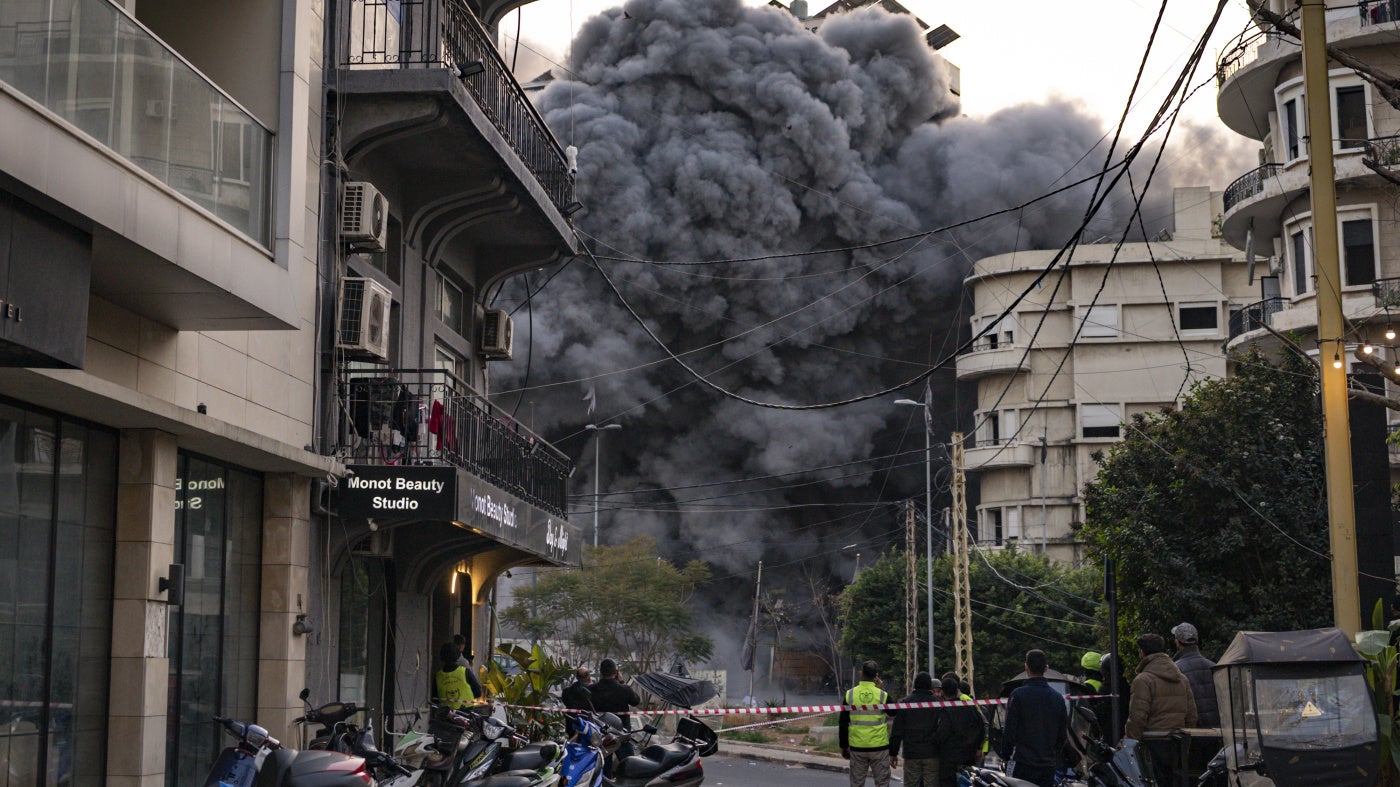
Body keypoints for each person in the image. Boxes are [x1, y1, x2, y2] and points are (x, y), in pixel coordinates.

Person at [1128, 633, 1197, 787]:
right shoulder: (1182, 679)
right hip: (1178, 742)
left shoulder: (1143, 680)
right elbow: (1192, 715)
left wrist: (1130, 743)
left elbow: (1137, 717)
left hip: (1152, 744)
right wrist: (1186, 739)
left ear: (1142, 652)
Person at [997, 649, 1067, 787]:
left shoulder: (1018, 695)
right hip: (1048, 766)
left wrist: (1005, 755)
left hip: (1023, 764)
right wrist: (1052, 755)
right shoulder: (1057, 698)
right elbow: (1062, 735)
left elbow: (1009, 730)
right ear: (1046, 668)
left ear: (1026, 667)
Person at [840, 661, 897, 787]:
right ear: (876, 676)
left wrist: (844, 745)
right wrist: (880, 689)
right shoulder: (882, 695)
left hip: (857, 747)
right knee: (882, 784)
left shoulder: (850, 694)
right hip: (879, 747)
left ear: (861, 674)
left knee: (857, 784)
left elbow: (843, 721)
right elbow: (893, 712)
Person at [590, 658, 642, 768]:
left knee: (604, 769)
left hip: (601, 736)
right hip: (621, 735)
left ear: (601, 672)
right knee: (629, 767)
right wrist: (622, 682)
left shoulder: (592, 690)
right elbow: (636, 701)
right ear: (616, 672)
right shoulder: (624, 689)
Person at [935, 676, 986, 787]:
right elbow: (981, 727)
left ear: (943, 692)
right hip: (969, 757)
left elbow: (942, 734)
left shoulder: (945, 711)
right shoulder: (970, 707)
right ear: (957, 690)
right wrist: (979, 748)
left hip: (950, 760)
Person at [890, 672, 939, 787]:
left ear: (915, 685)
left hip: (912, 753)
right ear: (929, 686)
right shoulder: (938, 704)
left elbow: (897, 730)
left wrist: (893, 753)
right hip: (932, 753)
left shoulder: (905, 703)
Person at [1170, 623, 1218, 727]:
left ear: (1177, 642)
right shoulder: (1214, 667)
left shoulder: (1175, 669)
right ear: (1196, 641)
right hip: (1217, 730)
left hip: (1190, 730)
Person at [435, 642, 475, 710]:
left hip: (445, 713)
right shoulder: (465, 671)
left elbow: (434, 697)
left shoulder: (438, 676)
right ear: (458, 655)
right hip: (466, 711)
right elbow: (478, 691)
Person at [452, 634, 484, 701]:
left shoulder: (440, 674)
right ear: (461, 646)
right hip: (464, 701)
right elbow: (477, 689)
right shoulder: (463, 663)